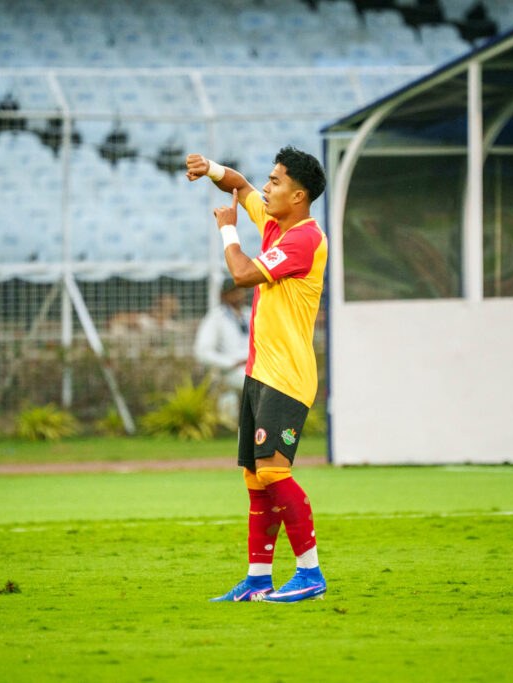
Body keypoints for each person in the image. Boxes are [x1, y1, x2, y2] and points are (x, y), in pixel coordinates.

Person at [186, 146, 328, 603]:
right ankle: (257, 580)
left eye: (277, 182)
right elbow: (241, 187)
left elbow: (244, 273)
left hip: (286, 376)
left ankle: (310, 573)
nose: (266, 187)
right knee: (255, 478)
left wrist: (227, 230)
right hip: (260, 374)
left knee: (272, 472)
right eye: (270, 179)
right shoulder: (275, 225)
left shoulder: (302, 240)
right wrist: (211, 169)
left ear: (299, 195)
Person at [193, 279, 250, 427]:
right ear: (224, 295)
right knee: (253, 383)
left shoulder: (251, 313)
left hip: (257, 365)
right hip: (232, 371)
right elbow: (201, 351)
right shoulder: (216, 317)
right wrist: (230, 362)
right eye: (233, 292)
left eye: (240, 290)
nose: (238, 295)